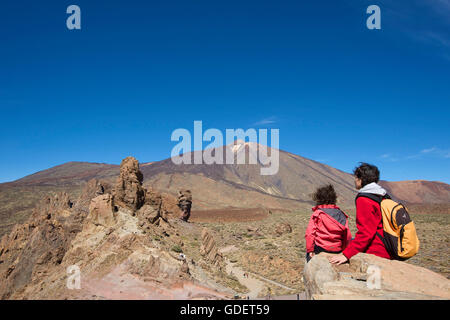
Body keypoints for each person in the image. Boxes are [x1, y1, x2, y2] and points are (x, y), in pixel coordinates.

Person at [329, 163, 391, 265]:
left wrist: (346, 255)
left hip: (376, 251)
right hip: (388, 246)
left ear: (360, 179)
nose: (354, 180)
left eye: (356, 177)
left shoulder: (365, 198)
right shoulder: (383, 195)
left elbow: (366, 232)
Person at [305, 184, 352, 263]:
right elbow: (347, 236)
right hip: (337, 249)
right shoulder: (341, 215)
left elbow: (310, 234)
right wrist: (344, 251)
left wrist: (310, 250)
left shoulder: (318, 214)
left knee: (308, 257)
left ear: (319, 198)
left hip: (320, 249)